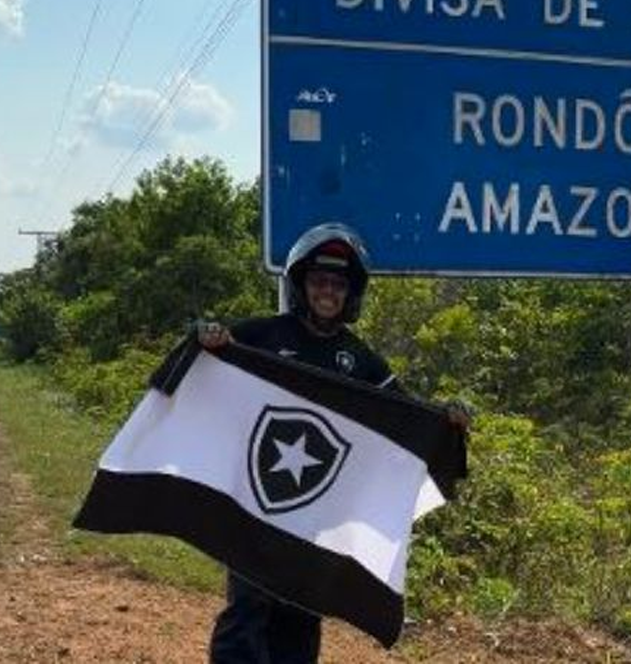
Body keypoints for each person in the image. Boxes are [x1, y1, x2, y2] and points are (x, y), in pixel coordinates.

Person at [197, 222, 467, 664]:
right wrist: (207, 339)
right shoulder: (266, 334)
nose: (328, 291)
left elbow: (406, 417)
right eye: (319, 281)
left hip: (318, 512)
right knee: (247, 610)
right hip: (256, 504)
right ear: (301, 285)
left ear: (350, 294)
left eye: (338, 284)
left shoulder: (360, 359)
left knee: (300, 618)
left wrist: (446, 421)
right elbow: (210, 357)